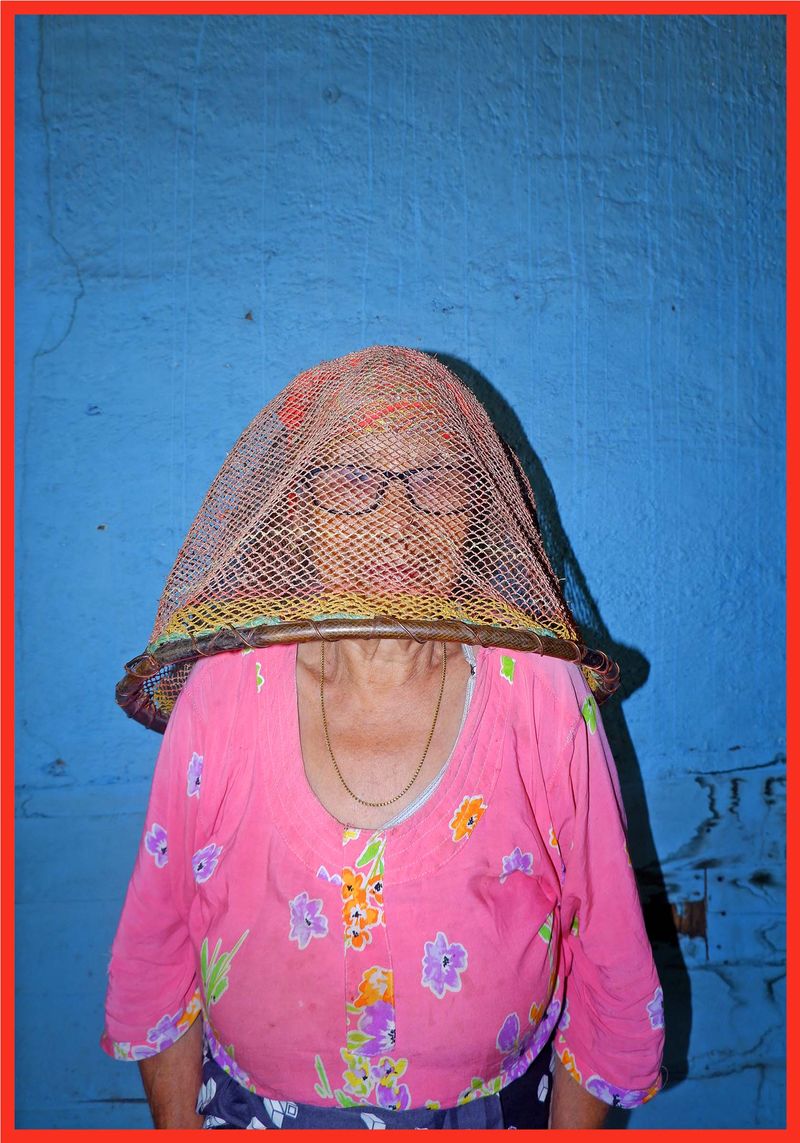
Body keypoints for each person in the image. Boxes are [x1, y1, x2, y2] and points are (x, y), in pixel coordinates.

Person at [102, 346, 664, 1129]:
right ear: (297, 511)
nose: (395, 519)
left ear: (476, 512)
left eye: (435, 481)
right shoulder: (229, 687)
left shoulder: (539, 690)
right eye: (352, 480)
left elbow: (609, 956)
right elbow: (159, 948)